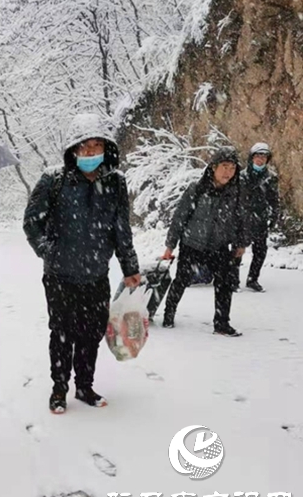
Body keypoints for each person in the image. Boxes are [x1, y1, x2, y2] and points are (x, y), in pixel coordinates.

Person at [23, 113, 141, 415]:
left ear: (106, 149)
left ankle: (84, 386)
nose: (90, 153)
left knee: (90, 334)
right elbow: (31, 223)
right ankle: (59, 389)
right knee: (62, 334)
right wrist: (49, 252)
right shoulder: (54, 180)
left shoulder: (115, 182)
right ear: (73, 150)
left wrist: (130, 267)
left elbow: (121, 229)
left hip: (96, 275)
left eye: (96, 146)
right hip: (60, 276)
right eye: (84, 147)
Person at [161, 146, 248, 337]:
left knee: (224, 284)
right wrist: (170, 245)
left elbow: (240, 219)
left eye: (232, 168)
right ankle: (169, 313)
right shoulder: (197, 189)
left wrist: (240, 243)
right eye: (224, 166)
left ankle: (222, 323)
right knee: (181, 280)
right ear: (213, 167)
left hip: (219, 245)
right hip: (193, 243)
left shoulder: (235, 193)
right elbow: (180, 218)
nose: (228, 172)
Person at [235, 142, 280, 292]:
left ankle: (253, 279)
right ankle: (233, 280)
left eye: (264, 157)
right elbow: (234, 198)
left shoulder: (271, 178)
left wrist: (274, 215)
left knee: (260, 251)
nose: (260, 160)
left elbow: (274, 198)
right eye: (258, 156)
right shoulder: (241, 176)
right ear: (251, 158)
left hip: (261, 218)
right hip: (243, 218)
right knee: (237, 250)